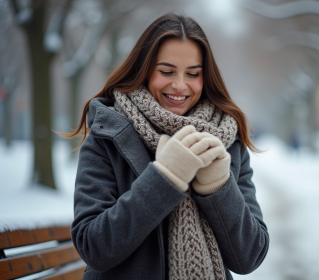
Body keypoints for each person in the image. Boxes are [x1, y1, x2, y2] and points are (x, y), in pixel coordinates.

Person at [61, 13, 269, 280]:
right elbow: (94, 247)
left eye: (193, 73)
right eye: (167, 71)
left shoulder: (225, 141)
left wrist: (218, 186)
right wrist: (165, 177)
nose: (180, 85)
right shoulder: (108, 136)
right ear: (144, 70)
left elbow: (249, 257)